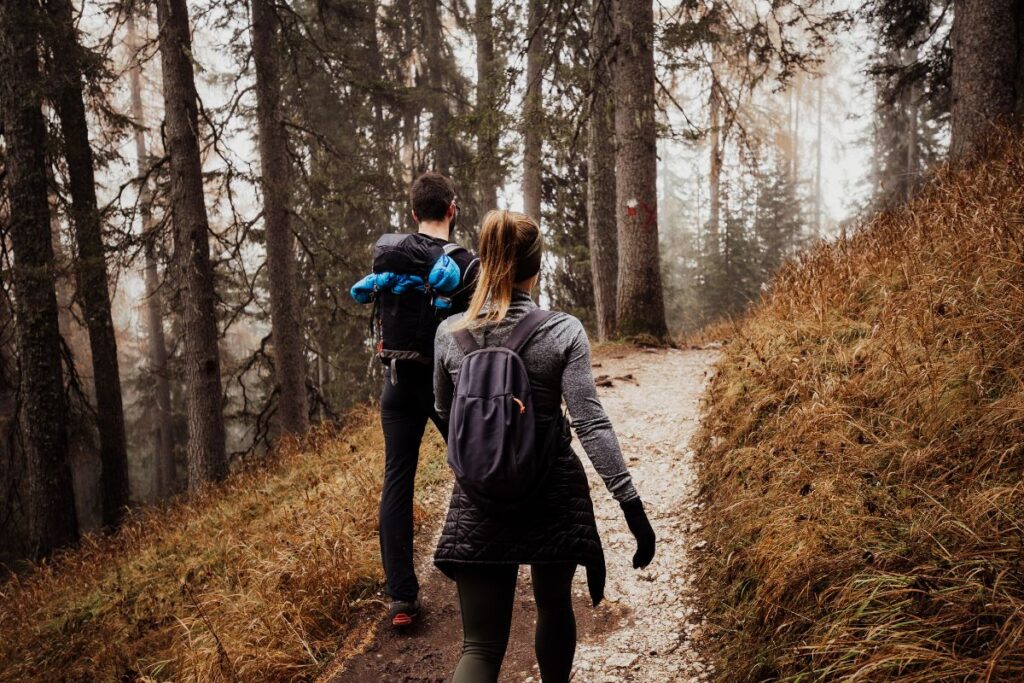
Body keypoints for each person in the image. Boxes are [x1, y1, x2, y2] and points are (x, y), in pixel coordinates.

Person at [432, 210, 656, 682]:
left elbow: (445, 412)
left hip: (479, 499)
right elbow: (591, 423)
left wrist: (483, 455)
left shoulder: (449, 335)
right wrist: (630, 505)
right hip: (550, 490)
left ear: (486, 262)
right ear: (536, 268)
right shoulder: (563, 331)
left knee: (480, 646)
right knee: (554, 608)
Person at [357, 172, 478, 628]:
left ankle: (402, 599)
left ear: (414, 213)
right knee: (473, 466)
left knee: (397, 482)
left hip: (398, 379)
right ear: (452, 208)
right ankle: (479, 561)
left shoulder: (392, 255)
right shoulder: (465, 264)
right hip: (450, 383)